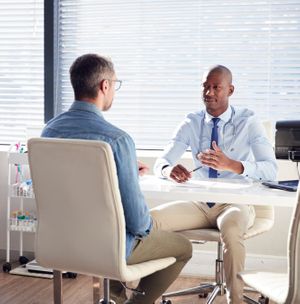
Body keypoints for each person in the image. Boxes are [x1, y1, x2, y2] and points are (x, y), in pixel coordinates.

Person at [41, 53, 192, 304]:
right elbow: (138, 222)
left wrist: (120, 168)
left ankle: (115, 298)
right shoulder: (117, 140)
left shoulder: (49, 132)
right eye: (115, 85)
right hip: (109, 248)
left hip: (62, 243)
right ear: (105, 86)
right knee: (183, 247)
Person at [151, 65, 278, 304]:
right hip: (199, 204)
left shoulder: (248, 121)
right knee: (149, 221)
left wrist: (232, 165)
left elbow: (271, 170)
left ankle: (235, 300)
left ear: (230, 90)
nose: (209, 93)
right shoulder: (192, 121)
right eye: (205, 87)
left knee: (230, 230)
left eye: (216, 87)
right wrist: (170, 171)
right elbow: (162, 162)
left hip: (235, 203)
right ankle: (140, 295)